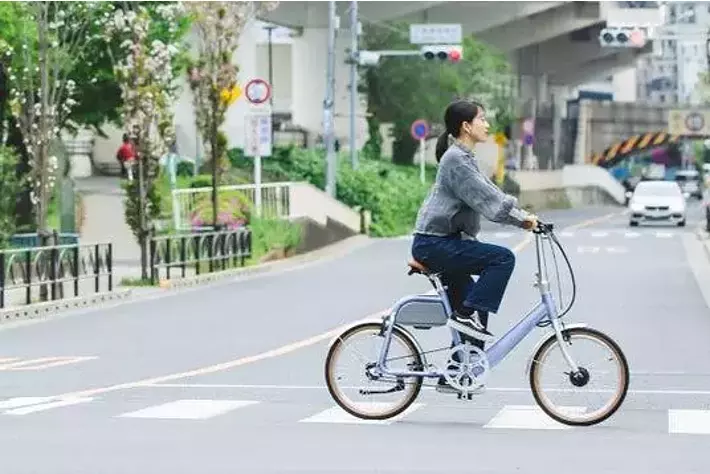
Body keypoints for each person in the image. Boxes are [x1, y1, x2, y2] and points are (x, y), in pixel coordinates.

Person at [411, 100, 538, 354]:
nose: (487, 124)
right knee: (502, 259)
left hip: (443, 242)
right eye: (482, 119)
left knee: (477, 309)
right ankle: (464, 316)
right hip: (434, 244)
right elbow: (486, 198)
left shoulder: (464, 157)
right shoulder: (456, 160)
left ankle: (460, 367)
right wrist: (523, 220)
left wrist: (523, 217)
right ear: (466, 126)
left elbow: (489, 190)